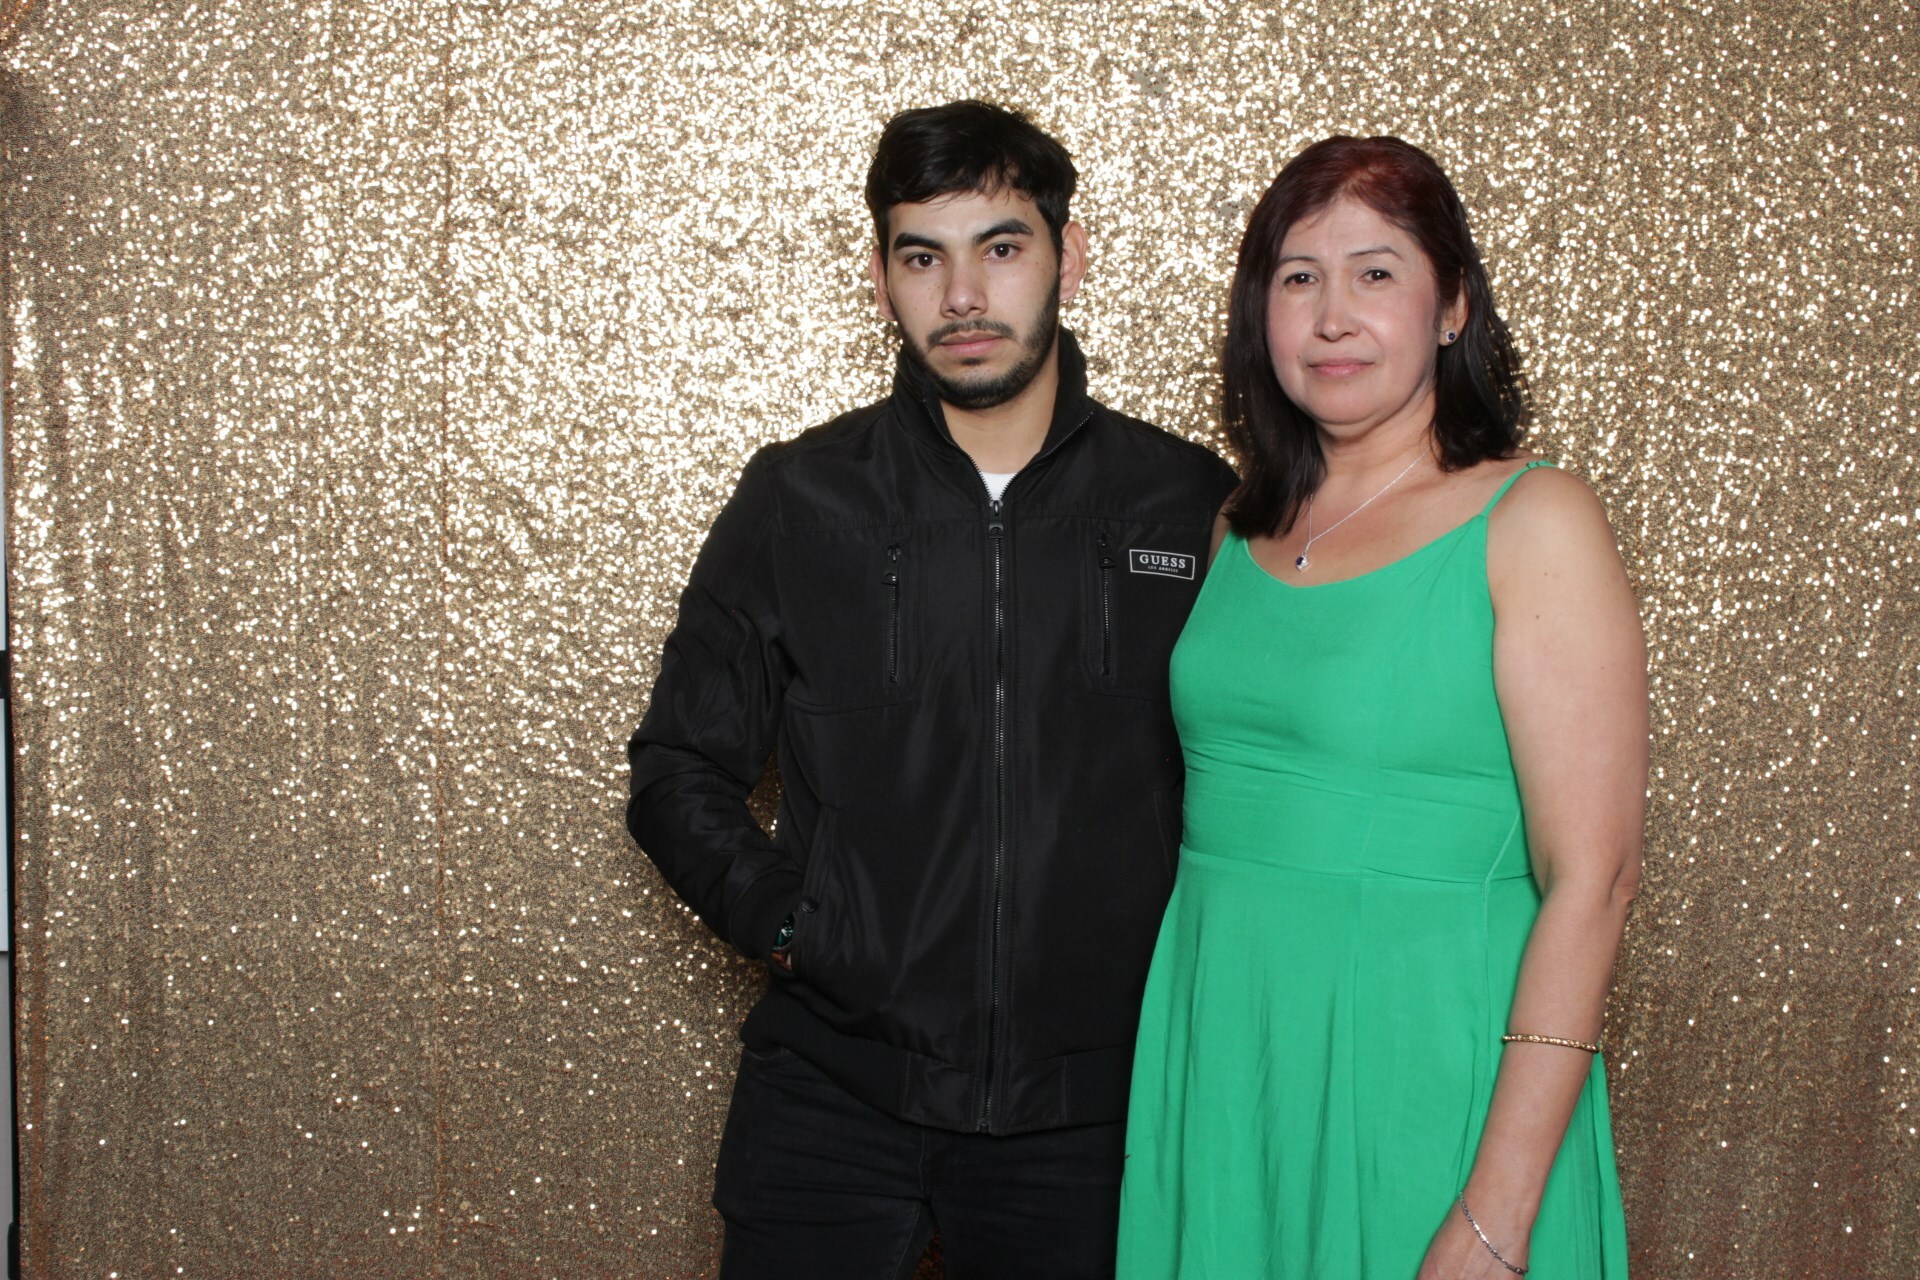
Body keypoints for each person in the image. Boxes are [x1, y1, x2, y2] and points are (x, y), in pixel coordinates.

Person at [627, 100, 1238, 1280]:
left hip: (1092, 1119)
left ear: (1068, 255)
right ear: (882, 279)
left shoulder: (1187, 503)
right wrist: (793, 924)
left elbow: (1258, 778)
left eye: (1000, 247)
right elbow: (676, 767)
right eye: (923, 257)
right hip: (831, 1098)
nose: (963, 294)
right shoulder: (801, 497)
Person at [1116, 136, 1643, 1278]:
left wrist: (1498, 1212)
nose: (1331, 317)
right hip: (1229, 1056)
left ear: (1452, 307)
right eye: (1299, 276)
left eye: (1375, 272)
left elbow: (1593, 880)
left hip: (1428, 1071)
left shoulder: (1533, 518)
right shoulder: (1238, 527)